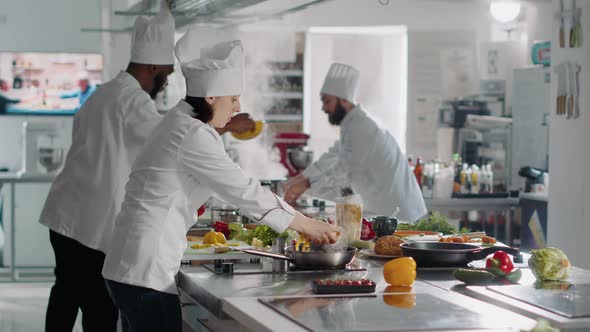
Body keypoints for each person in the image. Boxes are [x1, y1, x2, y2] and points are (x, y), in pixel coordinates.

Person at [102, 28, 340, 332]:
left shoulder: (180, 122)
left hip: (131, 264)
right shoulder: (192, 133)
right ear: (211, 96)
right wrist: (306, 224)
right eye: (233, 98)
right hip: (146, 268)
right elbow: (243, 190)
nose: (238, 107)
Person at [38, 3, 180, 331]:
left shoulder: (105, 93)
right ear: (153, 66)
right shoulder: (132, 100)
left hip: (65, 217)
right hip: (88, 224)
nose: (164, 83)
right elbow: (166, 139)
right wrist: (218, 125)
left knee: (66, 293)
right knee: (99, 307)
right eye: (166, 75)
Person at [283, 63, 426, 222]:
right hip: (387, 210)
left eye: (327, 101)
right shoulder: (352, 124)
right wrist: (301, 178)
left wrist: (306, 186)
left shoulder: (363, 126)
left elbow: (345, 171)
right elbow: (332, 155)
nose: (323, 107)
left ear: (343, 100)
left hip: (401, 213)